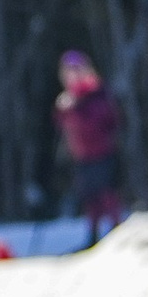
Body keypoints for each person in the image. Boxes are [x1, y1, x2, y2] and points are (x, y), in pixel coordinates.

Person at [53, 50, 123, 247]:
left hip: (102, 152)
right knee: (90, 197)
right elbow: (63, 124)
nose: (72, 75)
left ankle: (116, 233)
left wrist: (75, 108)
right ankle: (93, 237)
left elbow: (105, 120)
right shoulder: (68, 98)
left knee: (107, 194)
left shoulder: (96, 93)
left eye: (76, 70)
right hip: (81, 155)